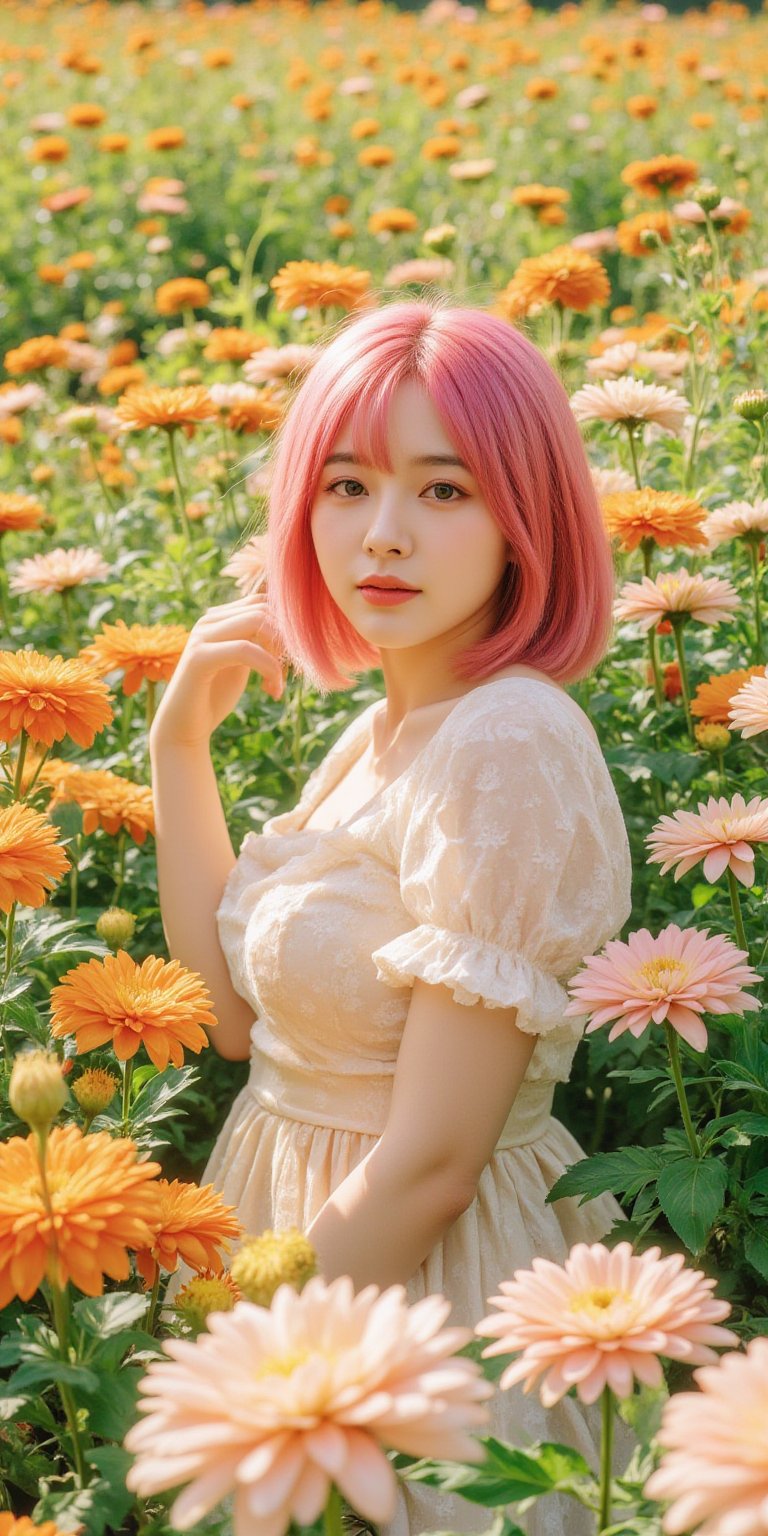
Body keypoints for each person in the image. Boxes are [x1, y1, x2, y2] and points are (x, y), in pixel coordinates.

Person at [149, 298, 634, 1536]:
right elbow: (231, 1028)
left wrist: (264, 1370)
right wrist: (177, 747)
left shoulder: (508, 738)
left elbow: (431, 1163)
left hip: (415, 1306)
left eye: (445, 491)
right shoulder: (382, 731)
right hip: (299, 1255)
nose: (383, 536)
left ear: (527, 515)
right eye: (348, 484)